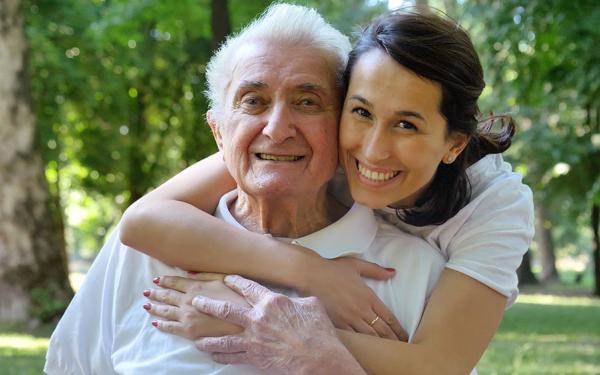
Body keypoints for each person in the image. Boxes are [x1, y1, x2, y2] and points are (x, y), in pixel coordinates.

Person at [120, 4, 534, 374]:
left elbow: (438, 366)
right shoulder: (308, 144)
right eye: (362, 112)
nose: (372, 150)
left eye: (406, 124)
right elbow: (144, 221)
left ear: (454, 144)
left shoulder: (494, 205)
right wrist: (307, 270)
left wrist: (253, 319)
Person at [44, 4, 449, 374]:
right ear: (218, 131)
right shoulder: (143, 252)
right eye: (253, 101)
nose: (276, 129)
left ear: (343, 124)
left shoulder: (411, 272)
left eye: (307, 102)